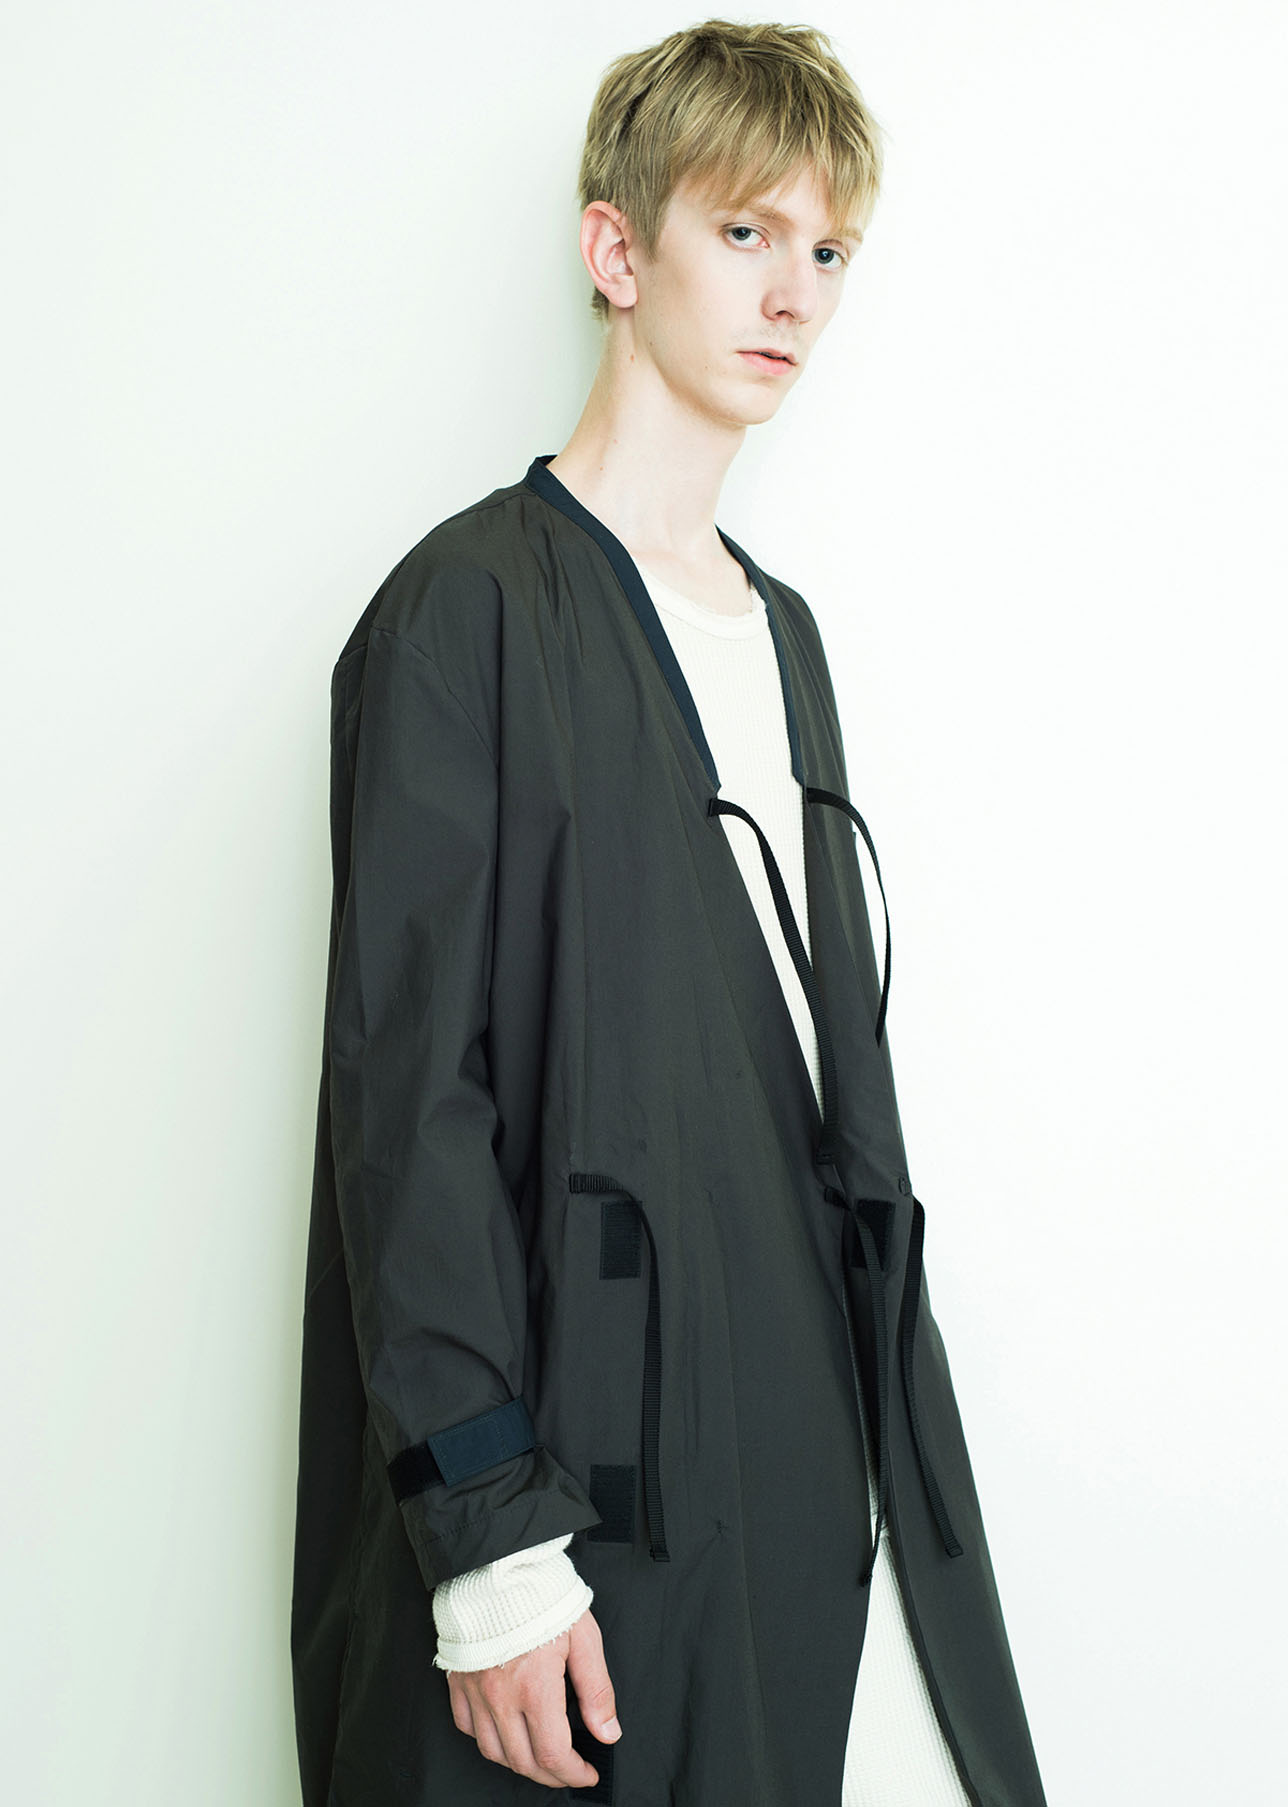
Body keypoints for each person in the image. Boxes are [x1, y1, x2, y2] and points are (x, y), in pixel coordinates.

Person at [290, 19, 1049, 1806]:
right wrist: (488, 1541)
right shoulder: (468, 613)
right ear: (617, 250)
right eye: (745, 231)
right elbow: (412, 1100)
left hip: (810, 1473)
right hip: (583, 1497)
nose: (795, 293)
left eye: (830, 250)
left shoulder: (785, 640)